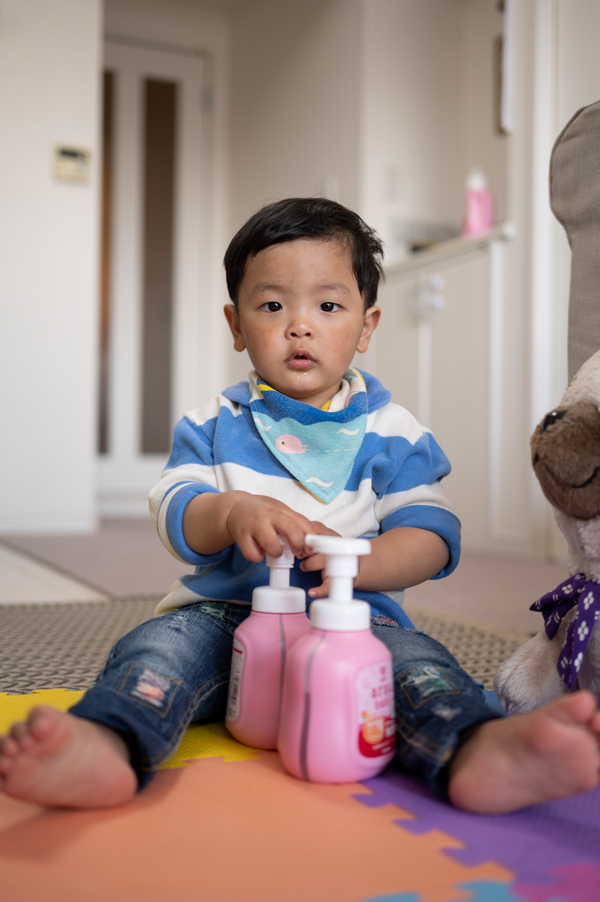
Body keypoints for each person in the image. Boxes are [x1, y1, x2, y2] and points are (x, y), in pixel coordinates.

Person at [1, 198, 599, 813]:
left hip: (353, 620)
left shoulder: (393, 431)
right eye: (272, 305)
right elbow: (175, 511)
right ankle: (109, 741)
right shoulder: (214, 421)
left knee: (421, 668)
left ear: (366, 326)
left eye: (329, 305)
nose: (300, 325)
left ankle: (475, 748)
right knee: (155, 652)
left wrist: (360, 563)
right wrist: (232, 513)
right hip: (221, 616)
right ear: (236, 325)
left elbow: (433, 534)